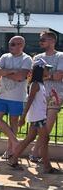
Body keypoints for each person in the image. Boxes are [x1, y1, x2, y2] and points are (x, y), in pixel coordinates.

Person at [7, 59, 61, 174]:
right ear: (40, 70)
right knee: (45, 139)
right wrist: (23, 117)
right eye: (47, 68)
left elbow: (39, 99)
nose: (48, 70)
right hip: (38, 117)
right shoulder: (36, 85)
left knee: (30, 138)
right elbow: (29, 101)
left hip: (38, 116)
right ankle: (47, 167)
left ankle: (13, 159)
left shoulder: (39, 84)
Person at [0, 36, 32, 159]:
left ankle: (10, 150)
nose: (11, 46)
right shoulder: (5, 57)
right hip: (2, 95)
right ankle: (15, 141)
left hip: (17, 97)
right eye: (10, 44)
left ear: (21, 45)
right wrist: (12, 72)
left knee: (13, 122)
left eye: (14, 44)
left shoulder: (27, 59)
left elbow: (21, 77)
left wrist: (5, 72)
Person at [29, 31, 63, 162]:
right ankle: (38, 152)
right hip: (39, 94)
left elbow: (60, 76)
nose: (41, 42)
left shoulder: (60, 56)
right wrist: (51, 75)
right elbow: (35, 77)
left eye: (43, 39)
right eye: (40, 39)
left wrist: (45, 75)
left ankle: (36, 150)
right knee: (37, 125)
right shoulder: (37, 57)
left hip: (56, 94)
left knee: (48, 124)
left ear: (52, 41)